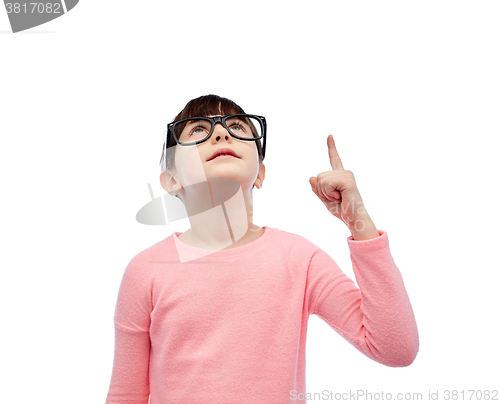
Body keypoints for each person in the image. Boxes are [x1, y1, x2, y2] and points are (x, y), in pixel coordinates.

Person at [105, 94, 419, 404]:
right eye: (198, 130)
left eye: (239, 127)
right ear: (171, 180)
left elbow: (396, 349)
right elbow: (126, 395)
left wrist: (358, 220)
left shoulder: (299, 260)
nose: (221, 132)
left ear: (261, 173)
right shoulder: (146, 271)